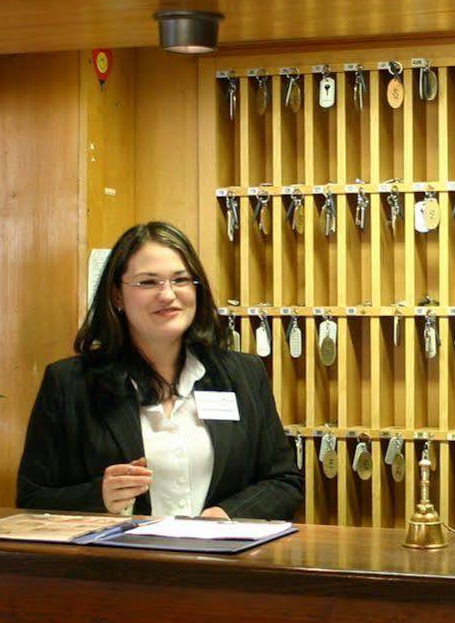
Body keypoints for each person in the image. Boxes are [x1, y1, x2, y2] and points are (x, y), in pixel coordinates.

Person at [15, 221, 303, 520]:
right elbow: (32, 498)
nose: (167, 295)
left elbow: (283, 482)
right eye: (148, 282)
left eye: (180, 280)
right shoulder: (70, 384)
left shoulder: (243, 374)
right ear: (116, 296)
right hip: (119, 564)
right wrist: (98, 496)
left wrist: (225, 514)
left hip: (219, 561)